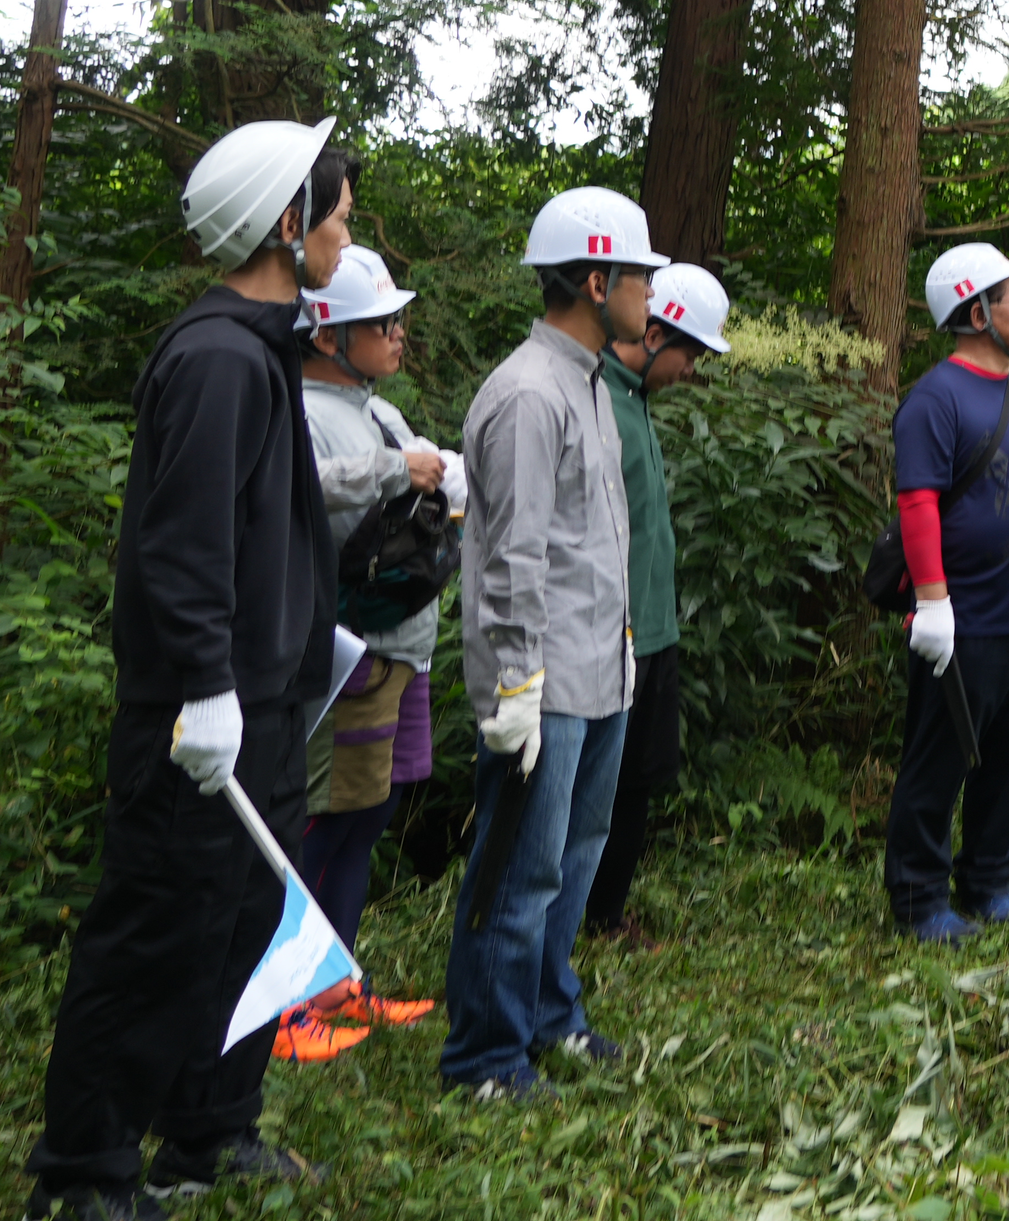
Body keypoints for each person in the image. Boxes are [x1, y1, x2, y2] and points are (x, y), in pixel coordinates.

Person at [23, 119, 348, 1218]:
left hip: (266, 702)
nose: (345, 242)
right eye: (338, 218)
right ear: (289, 223)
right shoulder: (216, 360)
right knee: (158, 928)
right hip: (202, 712)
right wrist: (205, 685)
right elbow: (185, 542)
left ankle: (209, 1129)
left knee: (244, 917)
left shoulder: (259, 352)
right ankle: (84, 1172)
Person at [440, 187, 651, 1101]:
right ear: (596, 279)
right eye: (639, 275)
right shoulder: (528, 393)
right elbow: (514, 555)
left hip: (599, 669)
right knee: (519, 868)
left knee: (576, 854)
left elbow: (593, 542)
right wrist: (515, 683)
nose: (650, 293)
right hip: (544, 679)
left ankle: (549, 1014)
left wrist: (625, 650)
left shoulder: (590, 383)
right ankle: (485, 1054)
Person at [275, 244, 445, 1065]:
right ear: (329, 335)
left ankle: (337, 977)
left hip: (396, 650)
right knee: (320, 820)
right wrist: (392, 470)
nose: (399, 334)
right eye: (382, 323)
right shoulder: (300, 410)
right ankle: (287, 1003)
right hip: (347, 651)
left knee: (367, 815)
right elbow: (300, 486)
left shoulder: (376, 408)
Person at [889, 241, 1009, 937]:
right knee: (938, 764)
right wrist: (934, 604)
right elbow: (917, 503)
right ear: (977, 311)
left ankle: (988, 882)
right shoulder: (934, 400)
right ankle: (919, 898)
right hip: (968, 622)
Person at [586, 261, 723, 941]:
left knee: (637, 781)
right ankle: (588, 913)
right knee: (601, 784)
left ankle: (607, 911)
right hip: (612, 633)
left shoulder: (633, 397)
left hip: (653, 627)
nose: (691, 370)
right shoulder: (597, 398)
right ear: (658, 330)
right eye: (691, 352)